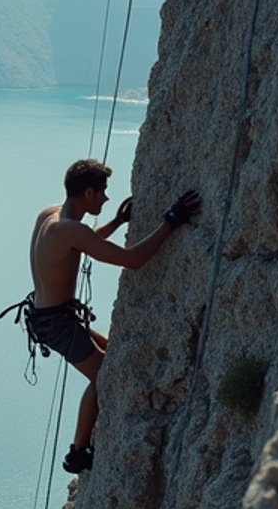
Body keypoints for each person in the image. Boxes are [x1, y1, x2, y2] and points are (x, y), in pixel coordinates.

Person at [26, 158, 201, 474]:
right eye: (103, 193)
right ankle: (77, 452)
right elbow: (132, 260)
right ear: (89, 192)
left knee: (114, 353)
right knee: (103, 375)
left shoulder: (50, 217)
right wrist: (170, 222)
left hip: (47, 315)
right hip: (57, 323)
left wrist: (118, 223)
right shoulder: (68, 230)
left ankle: (82, 444)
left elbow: (83, 241)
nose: (106, 199)